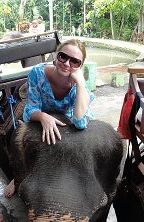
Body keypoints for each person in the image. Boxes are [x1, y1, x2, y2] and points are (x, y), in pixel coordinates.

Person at [5, 39, 94, 197]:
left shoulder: (78, 85)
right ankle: (19, 176)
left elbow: (80, 121)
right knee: (21, 139)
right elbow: (29, 110)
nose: (67, 63)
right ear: (56, 56)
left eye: (74, 61)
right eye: (63, 57)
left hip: (66, 119)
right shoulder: (38, 73)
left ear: (80, 66)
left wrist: (80, 83)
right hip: (42, 116)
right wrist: (43, 117)